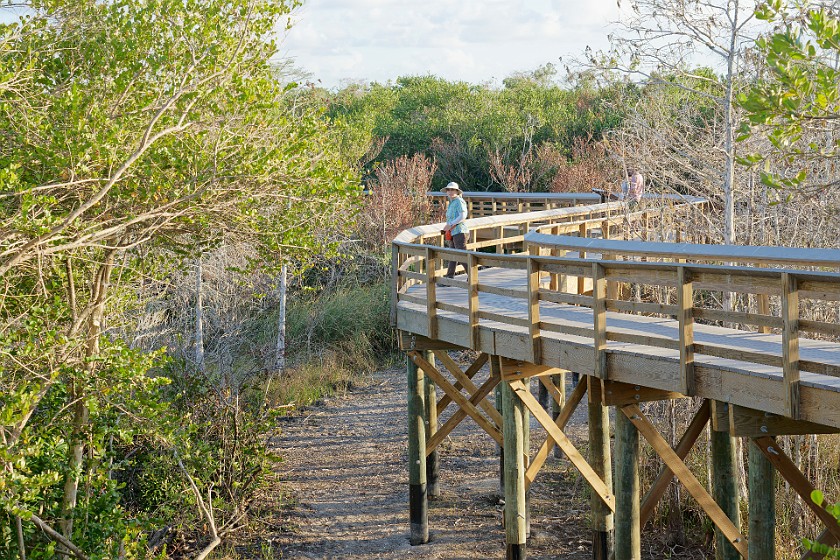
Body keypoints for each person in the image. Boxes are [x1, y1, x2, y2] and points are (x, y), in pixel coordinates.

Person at [442, 181, 468, 278]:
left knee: (461, 256)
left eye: (452, 190)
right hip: (453, 232)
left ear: (457, 191)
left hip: (460, 232)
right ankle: (449, 277)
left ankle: (473, 276)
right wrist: (447, 227)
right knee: (453, 256)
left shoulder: (459, 201)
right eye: (448, 190)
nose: (450, 191)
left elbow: (463, 215)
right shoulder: (451, 202)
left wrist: (451, 224)